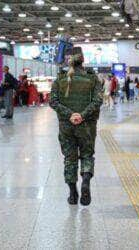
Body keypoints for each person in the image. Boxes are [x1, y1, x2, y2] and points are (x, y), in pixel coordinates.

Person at [49, 47, 103, 206]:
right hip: (87, 125)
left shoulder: (60, 79)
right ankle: (86, 180)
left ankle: (73, 194)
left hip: (66, 125)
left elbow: (53, 101)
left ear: (68, 60)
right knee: (87, 154)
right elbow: (98, 101)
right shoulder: (92, 78)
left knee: (69, 158)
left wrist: (69, 115)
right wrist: (82, 115)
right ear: (83, 60)